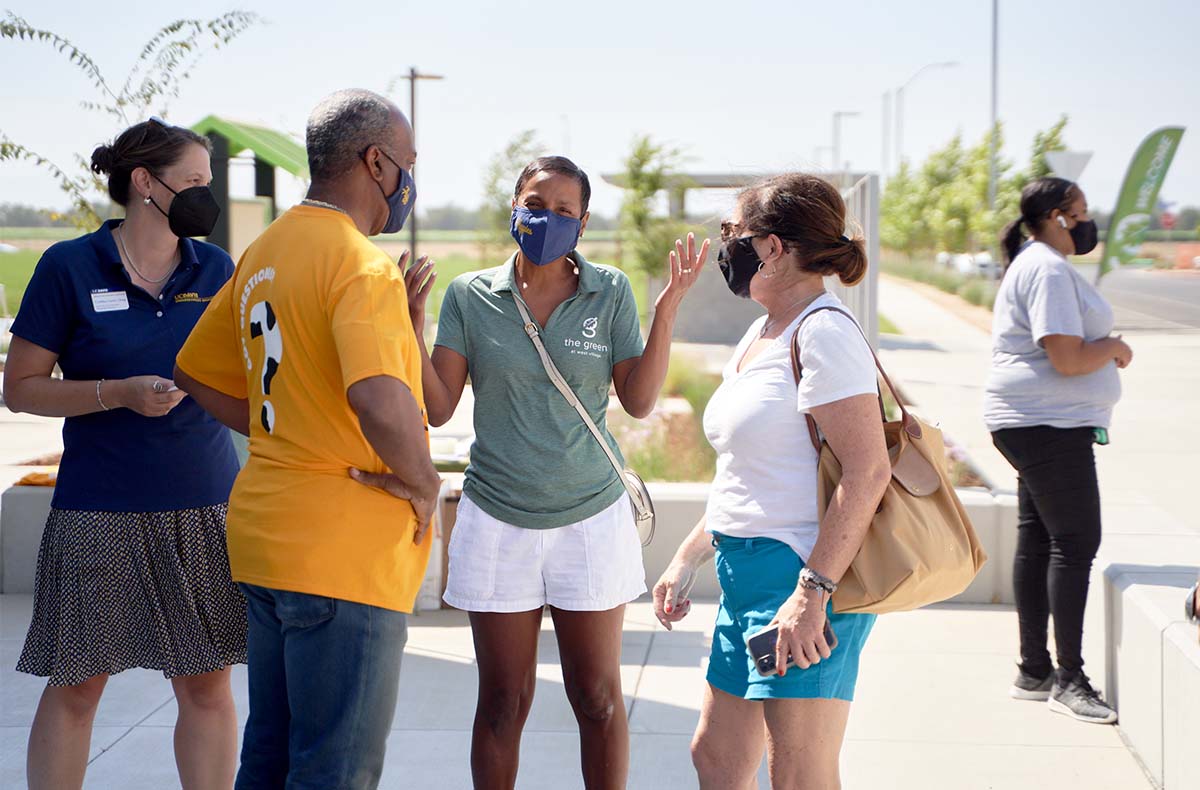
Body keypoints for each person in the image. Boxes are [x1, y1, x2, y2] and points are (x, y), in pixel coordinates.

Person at [355, 155, 706, 789]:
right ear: (515, 206)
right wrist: (413, 322)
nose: (547, 218)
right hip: (498, 521)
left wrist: (668, 308)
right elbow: (437, 404)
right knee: (502, 703)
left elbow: (640, 401)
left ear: (583, 222)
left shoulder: (611, 291)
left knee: (597, 699)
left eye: (564, 211)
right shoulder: (471, 295)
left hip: (591, 520)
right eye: (536, 204)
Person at [173, 89, 440, 789]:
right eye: (410, 162)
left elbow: (195, 372)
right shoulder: (360, 262)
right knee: (335, 767)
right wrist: (424, 481)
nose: (413, 179)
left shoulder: (268, 248)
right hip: (343, 552)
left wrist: (283, 428)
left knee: (269, 754)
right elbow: (378, 396)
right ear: (377, 163)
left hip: (269, 537)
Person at [4, 119, 244, 790]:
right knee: (77, 688)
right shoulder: (69, 266)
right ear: (146, 183)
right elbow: (20, 389)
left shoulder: (216, 269)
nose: (205, 195)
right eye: (193, 181)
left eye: (208, 182)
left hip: (203, 509)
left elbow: (251, 374)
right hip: (98, 510)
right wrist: (115, 394)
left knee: (206, 688)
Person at [652, 173, 891, 790]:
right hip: (746, 579)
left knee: (800, 773)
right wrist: (687, 557)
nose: (727, 246)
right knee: (718, 758)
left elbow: (868, 472)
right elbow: (747, 471)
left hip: (801, 582)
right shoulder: (763, 332)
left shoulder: (824, 333)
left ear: (774, 247)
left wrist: (812, 594)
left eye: (734, 233)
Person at [985, 176, 1130, 725]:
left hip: (1035, 421)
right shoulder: (1045, 268)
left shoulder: (1035, 262)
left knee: (1041, 537)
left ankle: (1034, 669)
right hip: (1046, 424)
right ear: (1058, 216)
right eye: (1083, 211)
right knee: (1075, 540)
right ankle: (1069, 679)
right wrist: (1113, 347)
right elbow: (1066, 358)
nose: (1089, 221)